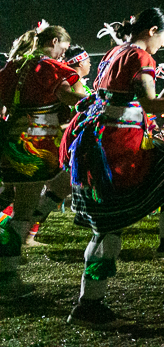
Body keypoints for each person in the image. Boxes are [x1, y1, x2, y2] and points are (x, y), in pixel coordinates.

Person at [63, 8, 164, 327]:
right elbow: (149, 103)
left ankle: (88, 303)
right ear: (151, 31)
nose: (162, 43)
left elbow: (123, 102)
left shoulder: (115, 51)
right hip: (116, 149)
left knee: (108, 230)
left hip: (99, 143)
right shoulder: (141, 58)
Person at [0, 23, 87, 297]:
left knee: (63, 183)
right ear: (54, 41)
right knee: (21, 213)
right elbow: (69, 96)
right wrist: (95, 100)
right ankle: (6, 276)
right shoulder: (48, 67)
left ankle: (12, 247)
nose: (63, 54)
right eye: (62, 48)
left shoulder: (13, 67)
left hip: (17, 140)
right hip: (34, 143)